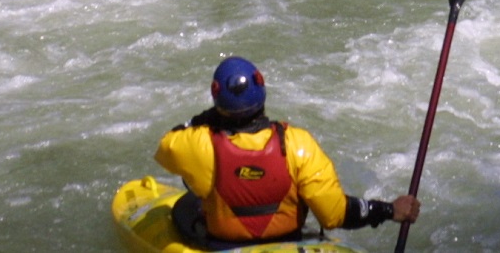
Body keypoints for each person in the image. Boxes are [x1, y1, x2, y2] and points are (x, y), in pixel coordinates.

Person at [155, 56, 421, 245]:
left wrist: (210, 116)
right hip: (289, 242)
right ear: (262, 91)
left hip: (222, 243)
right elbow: (335, 214)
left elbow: (167, 144)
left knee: (186, 205)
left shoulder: (198, 144)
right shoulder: (297, 143)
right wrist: (388, 210)